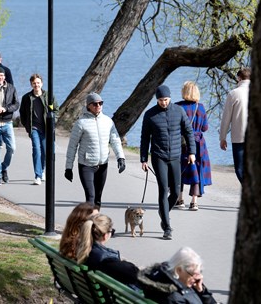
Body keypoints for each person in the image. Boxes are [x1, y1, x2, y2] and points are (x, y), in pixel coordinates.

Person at [140, 85, 195, 240]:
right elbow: (145, 138)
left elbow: (189, 132)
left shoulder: (179, 111)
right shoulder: (150, 115)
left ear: (170, 98)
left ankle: (163, 211)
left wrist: (192, 152)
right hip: (159, 156)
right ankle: (167, 226)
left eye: (165, 100)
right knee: (163, 189)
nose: (163, 103)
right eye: (160, 100)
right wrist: (143, 158)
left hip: (176, 156)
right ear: (156, 99)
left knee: (176, 192)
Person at [65, 93, 126, 208]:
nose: (98, 105)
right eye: (95, 104)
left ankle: (94, 224)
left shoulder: (108, 121)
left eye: (100, 103)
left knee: (98, 198)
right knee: (91, 198)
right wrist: (68, 167)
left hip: (103, 164)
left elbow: (115, 140)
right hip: (86, 165)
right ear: (88, 106)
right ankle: (89, 224)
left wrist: (121, 157)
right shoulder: (80, 123)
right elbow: (72, 146)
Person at [76, 213, 140, 290]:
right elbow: (134, 275)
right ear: (105, 235)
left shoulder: (83, 251)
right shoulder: (106, 259)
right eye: (112, 232)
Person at [175, 81, 212, 211]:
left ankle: (180, 199)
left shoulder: (177, 106)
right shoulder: (200, 107)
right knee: (196, 169)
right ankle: (194, 201)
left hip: (182, 142)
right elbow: (205, 127)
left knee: (180, 169)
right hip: (198, 142)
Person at [138, 247, 217, 304]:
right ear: (179, 270)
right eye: (193, 274)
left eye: (199, 273)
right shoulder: (174, 296)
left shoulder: (162, 279)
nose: (198, 277)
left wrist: (201, 291)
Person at [19, 73, 59, 185]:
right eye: (34, 83)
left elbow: (56, 110)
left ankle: (42, 170)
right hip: (34, 128)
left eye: (38, 83)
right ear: (31, 84)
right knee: (36, 149)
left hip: (47, 129)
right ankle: (37, 175)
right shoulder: (27, 98)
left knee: (46, 152)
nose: (36, 85)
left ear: (42, 83)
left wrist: (53, 121)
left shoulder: (49, 96)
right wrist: (27, 126)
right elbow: (22, 113)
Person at [219, 67, 251, 185]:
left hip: (239, 137)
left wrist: (222, 138)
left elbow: (226, 119)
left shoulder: (233, 94)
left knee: (240, 168)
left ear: (239, 78)